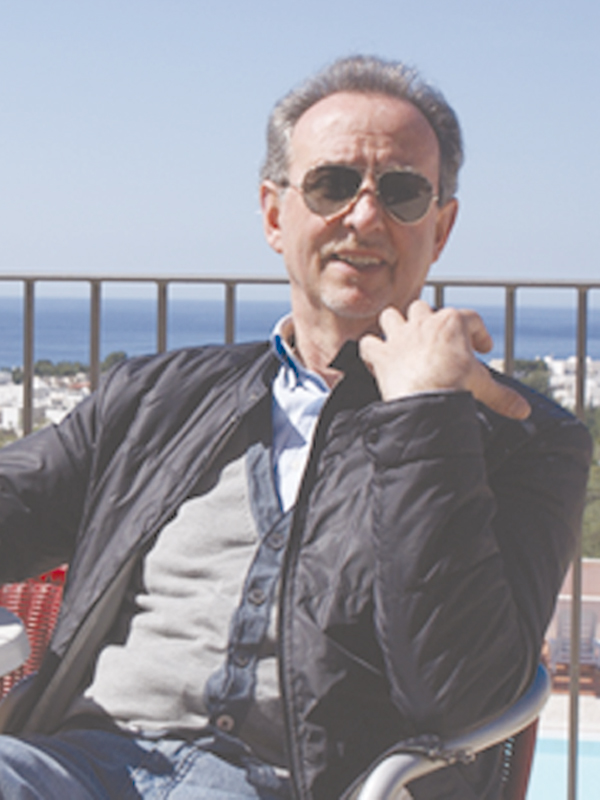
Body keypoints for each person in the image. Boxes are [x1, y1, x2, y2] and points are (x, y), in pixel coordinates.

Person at [0, 55, 591, 800]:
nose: (365, 218)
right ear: (276, 215)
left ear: (440, 227)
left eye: (402, 192)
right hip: (77, 766)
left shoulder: (518, 436)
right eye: (333, 185)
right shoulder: (157, 399)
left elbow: (462, 694)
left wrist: (424, 417)